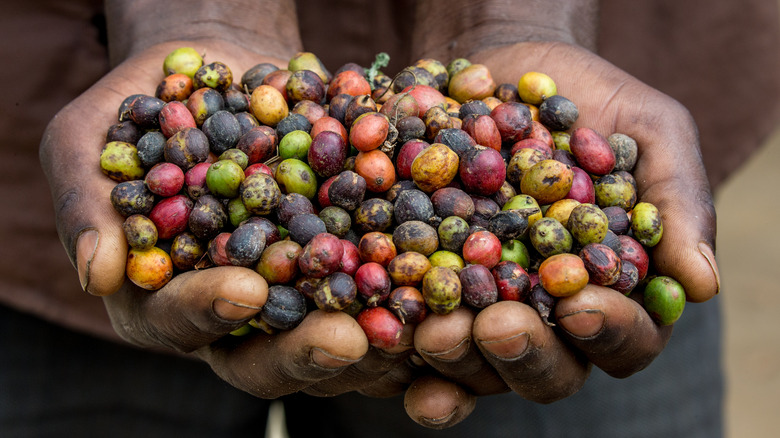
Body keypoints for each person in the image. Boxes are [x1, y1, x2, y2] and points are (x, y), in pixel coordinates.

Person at [2, 0, 778, 436]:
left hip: (622, 38)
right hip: (46, 141)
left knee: (574, 340)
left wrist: (507, 17)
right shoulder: (265, 159)